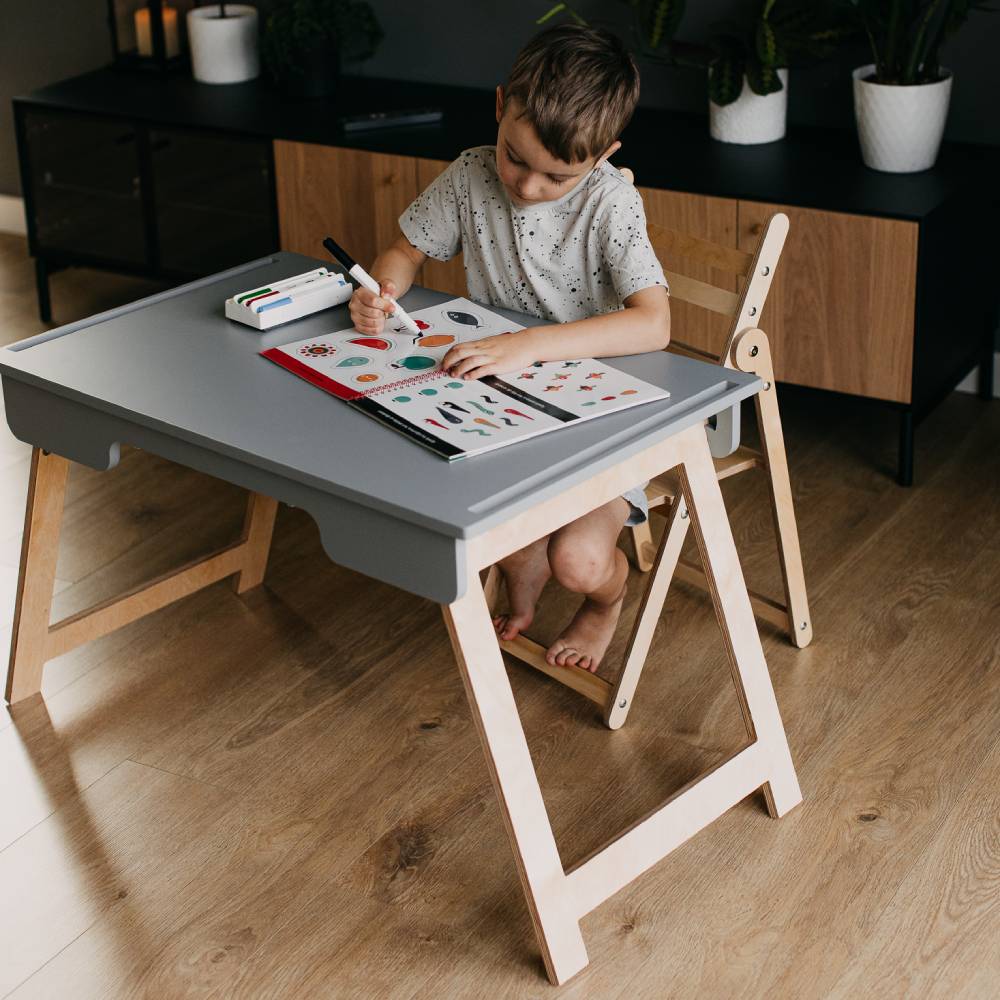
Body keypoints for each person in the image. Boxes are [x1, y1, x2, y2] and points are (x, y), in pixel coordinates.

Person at [349, 23, 670, 672]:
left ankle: (608, 601)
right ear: (500, 107)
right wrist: (383, 289)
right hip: (505, 404)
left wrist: (529, 346)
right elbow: (407, 249)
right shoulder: (470, 175)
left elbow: (654, 325)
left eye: (558, 176)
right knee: (501, 536)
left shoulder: (611, 202)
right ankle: (523, 591)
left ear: (603, 153)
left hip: (602, 416)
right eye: (515, 157)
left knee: (576, 561)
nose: (526, 187)